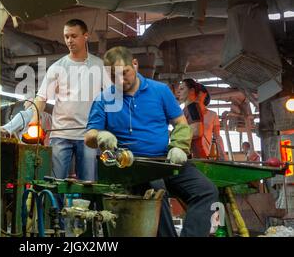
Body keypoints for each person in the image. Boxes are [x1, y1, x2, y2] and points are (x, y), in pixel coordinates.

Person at [85, 46, 218, 237]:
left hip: (164, 160)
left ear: (135, 65)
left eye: (125, 73)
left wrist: (179, 146)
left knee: (206, 190)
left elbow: (181, 123)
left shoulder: (160, 91)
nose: (121, 80)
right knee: (156, 192)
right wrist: (100, 137)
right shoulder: (104, 99)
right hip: (131, 164)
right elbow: (89, 136)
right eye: (114, 77)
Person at [30, 19, 105, 182]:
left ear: (86, 36)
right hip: (60, 133)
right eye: (66, 37)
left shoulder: (99, 66)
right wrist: (34, 120)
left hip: (89, 135)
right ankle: (54, 209)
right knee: (55, 184)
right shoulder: (57, 67)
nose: (69, 40)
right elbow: (42, 97)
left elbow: (109, 98)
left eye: (73, 36)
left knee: (89, 185)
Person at [177, 79, 208, 158]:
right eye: (179, 89)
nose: (178, 92)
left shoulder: (192, 107)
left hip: (195, 156)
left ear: (191, 90)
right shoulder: (186, 108)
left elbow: (197, 131)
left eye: (182, 89)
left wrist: (174, 133)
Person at [198, 84, 228, 160]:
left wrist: (222, 156)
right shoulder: (185, 113)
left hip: (206, 154)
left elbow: (217, 136)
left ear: (204, 95)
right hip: (189, 153)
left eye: (198, 93)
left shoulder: (212, 115)